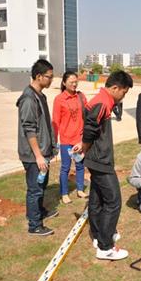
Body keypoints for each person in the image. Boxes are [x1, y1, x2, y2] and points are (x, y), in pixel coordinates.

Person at [79, 71, 133, 260]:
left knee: (96, 199)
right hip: (100, 161)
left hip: (97, 159)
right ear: (115, 88)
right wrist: (84, 147)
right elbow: (90, 127)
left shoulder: (103, 100)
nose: (123, 96)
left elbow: (90, 126)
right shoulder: (102, 102)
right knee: (113, 201)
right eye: (124, 92)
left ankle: (98, 234)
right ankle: (105, 247)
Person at [16, 59, 59, 236]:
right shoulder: (28, 98)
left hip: (43, 151)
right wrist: (39, 156)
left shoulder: (40, 95)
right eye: (49, 77)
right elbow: (29, 129)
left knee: (41, 185)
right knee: (34, 188)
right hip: (34, 155)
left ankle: (38, 211)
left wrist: (51, 148)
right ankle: (34, 225)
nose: (51, 80)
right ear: (39, 76)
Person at [52, 71, 88, 204]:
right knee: (65, 167)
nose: (74, 84)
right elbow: (55, 121)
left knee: (80, 165)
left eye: (76, 82)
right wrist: (54, 141)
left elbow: (88, 114)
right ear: (64, 83)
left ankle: (80, 189)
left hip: (79, 139)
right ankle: (64, 193)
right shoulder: (59, 99)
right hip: (66, 140)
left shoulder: (81, 96)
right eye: (71, 82)